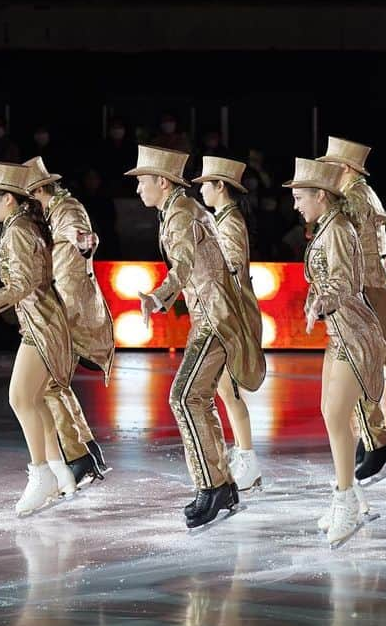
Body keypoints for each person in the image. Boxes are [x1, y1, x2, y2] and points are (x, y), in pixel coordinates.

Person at [128, 146, 266, 529]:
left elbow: (185, 263)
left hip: (216, 317)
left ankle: (215, 486)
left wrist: (158, 295)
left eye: (142, 181)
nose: (138, 189)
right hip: (211, 314)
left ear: (161, 181)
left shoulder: (181, 214)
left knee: (184, 396)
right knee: (196, 396)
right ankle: (221, 483)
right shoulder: (178, 210)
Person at [0, 162, 79, 516]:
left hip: (43, 323)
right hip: (42, 321)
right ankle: (59, 471)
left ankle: (41, 473)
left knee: (19, 397)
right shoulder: (21, 225)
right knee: (36, 398)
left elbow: (25, 283)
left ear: (9, 200)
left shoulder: (18, 230)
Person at [285, 158, 386, 547]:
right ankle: (350, 497)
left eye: (299, 197)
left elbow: (346, 282)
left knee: (335, 413)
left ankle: (346, 500)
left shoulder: (339, 229)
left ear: (321, 196)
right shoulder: (326, 228)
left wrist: (320, 302)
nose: (296, 205)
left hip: (356, 332)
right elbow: (326, 280)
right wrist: (317, 300)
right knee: (332, 414)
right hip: (339, 331)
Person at [316, 137, 386, 483]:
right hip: (369, 290)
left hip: (368, 292)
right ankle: (374, 441)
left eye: (331, 166)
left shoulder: (355, 198)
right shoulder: (359, 194)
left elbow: (360, 256)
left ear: (347, 169)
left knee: (356, 367)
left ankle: (380, 444)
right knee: (355, 369)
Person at [24, 156, 113, 484]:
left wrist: (85, 243)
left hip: (70, 308)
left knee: (47, 384)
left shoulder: (66, 209)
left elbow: (81, 236)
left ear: (38, 190)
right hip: (64, 305)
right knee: (54, 383)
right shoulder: (53, 211)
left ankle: (79, 456)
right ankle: (85, 451)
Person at [192, 155, 264, 491]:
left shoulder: (229, 222)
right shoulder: (222, 219)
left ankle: (247, 459)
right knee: (223, 388)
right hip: (225, 312)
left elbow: (232, 271)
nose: (202, 190)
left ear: (220, 186)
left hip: (231, 314)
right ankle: (243, 456)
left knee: (229, 389)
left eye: (205, 184)